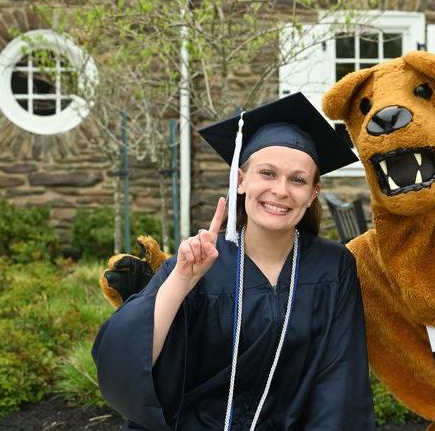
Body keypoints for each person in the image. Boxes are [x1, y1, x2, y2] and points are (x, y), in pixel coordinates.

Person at [92, 93, 376, 431]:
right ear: (241, 180)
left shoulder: (333, 267)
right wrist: (181, 280)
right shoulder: (199, 261)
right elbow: (127, 366)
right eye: (267, 173)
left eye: (298, 180)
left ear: (313, 192)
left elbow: (339, 381)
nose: (281, 191)